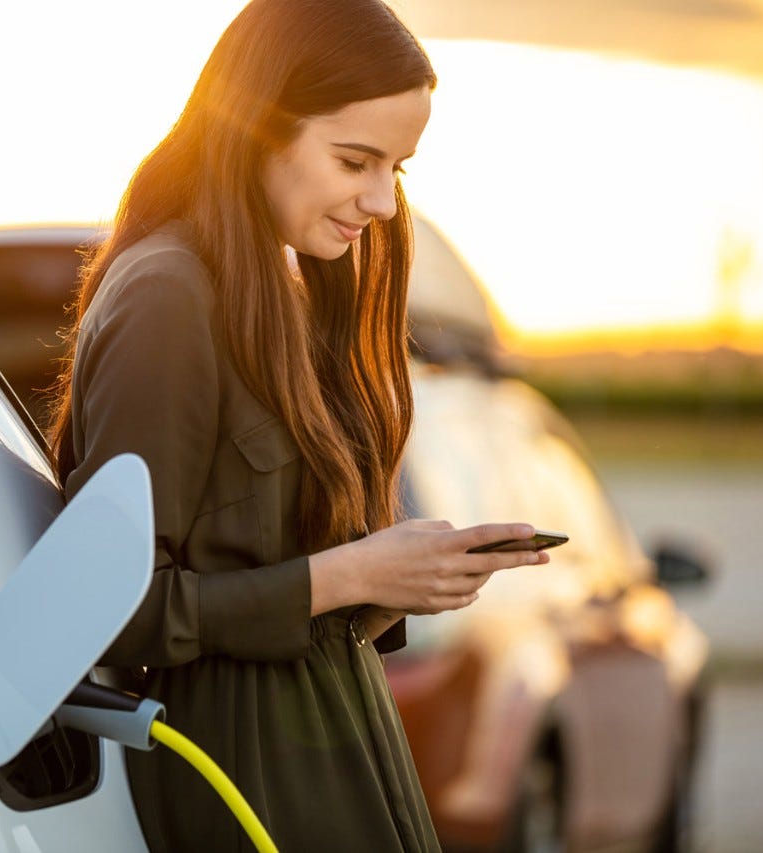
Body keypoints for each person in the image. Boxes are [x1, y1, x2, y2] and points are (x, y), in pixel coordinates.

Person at [49, 1, 547, 849]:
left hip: (332, 748)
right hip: (237, 774)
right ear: (253, 129)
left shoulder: (275, 291)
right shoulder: (168, 295)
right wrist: (350, 575)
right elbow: (113, 612)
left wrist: (403, 575)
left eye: (397, 168)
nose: (382, 203)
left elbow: (283, 569)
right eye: (355, 160)